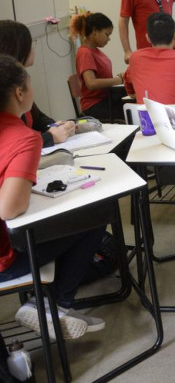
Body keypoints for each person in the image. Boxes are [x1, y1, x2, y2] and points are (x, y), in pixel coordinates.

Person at [0, 55, 105, 339]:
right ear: (20, 92)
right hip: (3, 262)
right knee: (95, 215)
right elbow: (9, 208)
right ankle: (53, 305)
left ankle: (49, 303)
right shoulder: (24, 138)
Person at [0, 20, 76, 148]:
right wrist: (50, 137)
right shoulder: (7, 90)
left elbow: (37, 118)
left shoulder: (19, 80)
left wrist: (57, 126)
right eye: (31, 43)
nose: (33, 48)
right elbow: (13, 142)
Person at [69, 12, 125, 121]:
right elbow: (91, 83)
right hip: (94, 106)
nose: (108, 39)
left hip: (105, 100)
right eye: (107, 34)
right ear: (94, 31)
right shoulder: (85, 53)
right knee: (129, 112)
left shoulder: (95, 51)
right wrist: (119, 80)